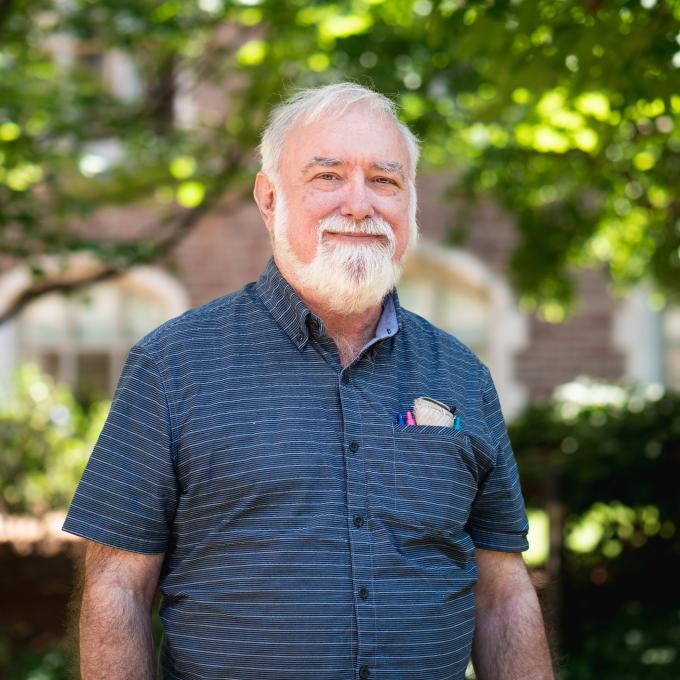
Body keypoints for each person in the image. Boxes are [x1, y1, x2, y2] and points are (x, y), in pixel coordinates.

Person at [64, 82, 553, 680]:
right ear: (269, 199)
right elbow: (116, 588)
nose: (358, 203)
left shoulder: (462, 374)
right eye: (328, 176)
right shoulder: (173, 365)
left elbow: (503, 596)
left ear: (411, 203)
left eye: (385, 180)